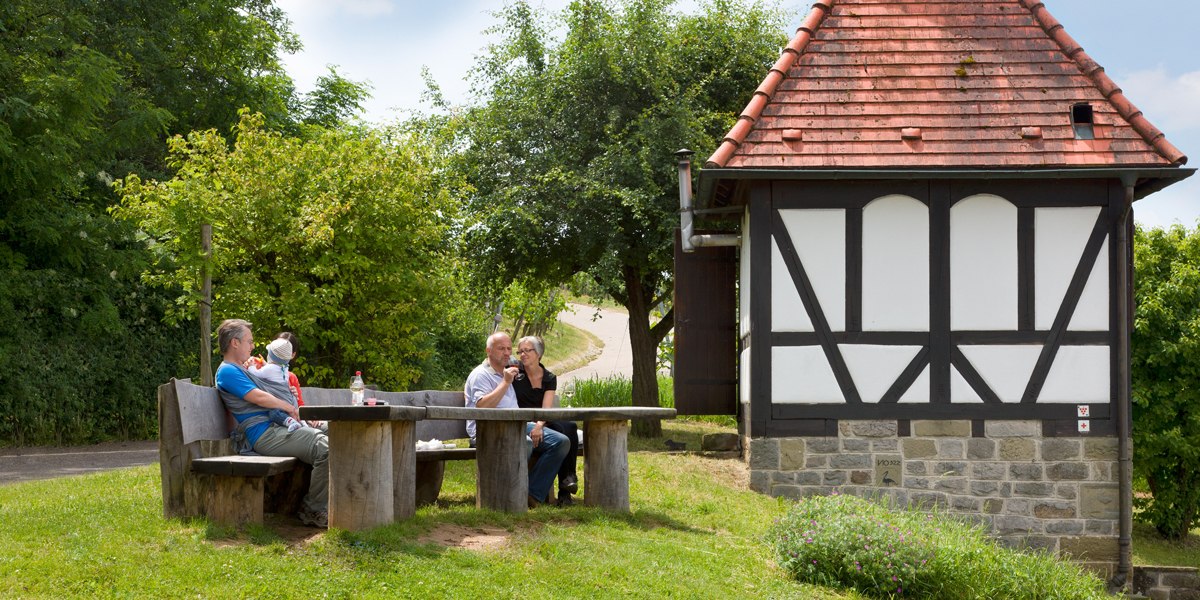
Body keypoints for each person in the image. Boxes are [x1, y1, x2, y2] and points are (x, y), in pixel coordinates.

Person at [214, 319, 329, 528]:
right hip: (263, 434)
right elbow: (258, 397)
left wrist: (287, 392)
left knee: (336, 430)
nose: (252, 346)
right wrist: (289, 406)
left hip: (277, 427)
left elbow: (270, 387)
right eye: (249, 341)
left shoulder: (243, 369)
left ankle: (339, 499)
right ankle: (313, 509)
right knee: (324, 448)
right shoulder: (227, 371)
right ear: (235, 343)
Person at [464, 332, 569, 508]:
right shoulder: (481, 374)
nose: (507, 353)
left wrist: (538, 424)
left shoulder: (507, 373)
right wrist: (505, 383)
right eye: (501, 349)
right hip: (488, 429)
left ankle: (531, 494)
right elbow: (481, 407)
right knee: (524, 443)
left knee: (561, 442)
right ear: (488, 351)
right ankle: (508, 495)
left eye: (508, 348)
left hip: (516, 425)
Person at [512, 335, 579, 506]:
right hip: (523, 422)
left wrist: (539, 425)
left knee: (570, 427)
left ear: (538, 353)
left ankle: (567, 483)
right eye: (520, 351)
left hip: (542, 420)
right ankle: (566, 484)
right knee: (563, 434)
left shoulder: (549, 377)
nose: (522, 354)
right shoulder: (515, 372)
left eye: (527, 350)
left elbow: (546, 408)